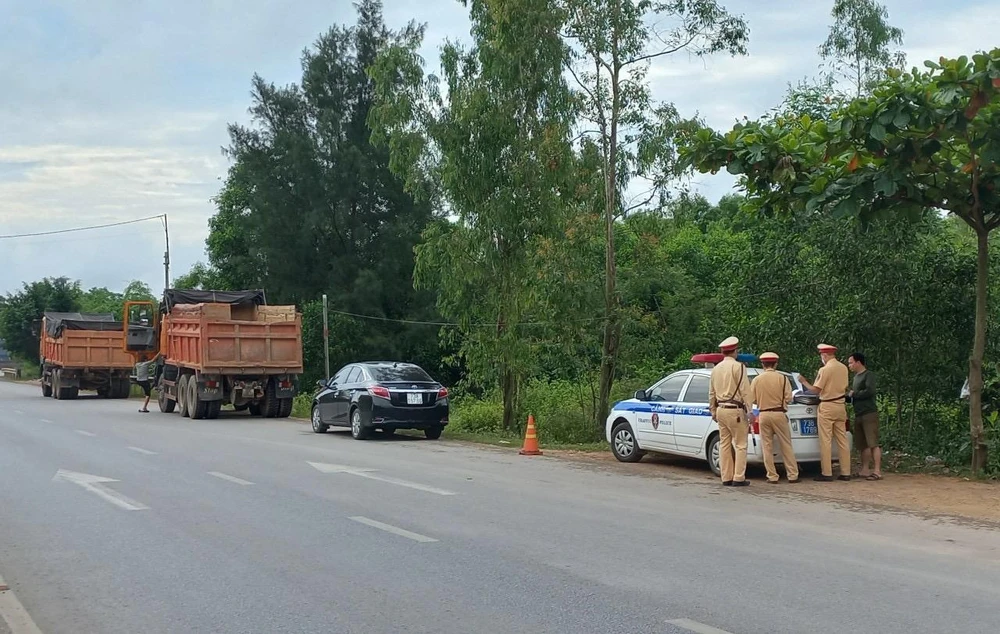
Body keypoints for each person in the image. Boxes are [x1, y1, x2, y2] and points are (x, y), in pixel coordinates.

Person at [799, 343, 851, 482]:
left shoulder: (825, 369)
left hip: (827, 406)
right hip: (840, 405)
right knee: (842, 440)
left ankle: (826, 472)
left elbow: (816, 390)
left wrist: (804, 382)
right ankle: (846, 472)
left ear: (825, 355)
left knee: (825, 440)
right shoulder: (843, 368)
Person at [709, 336, 753, 487]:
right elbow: (745, 390)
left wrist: (713, 410)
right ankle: (738, 477)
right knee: (740, 445)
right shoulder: (739, 367)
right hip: (735, 410)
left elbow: (711, 393)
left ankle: (726, 476)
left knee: (724, 444)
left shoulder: (716, 369)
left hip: (721, 409)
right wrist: (750, 410)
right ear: (735, 351)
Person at [750, 351, 800, 484]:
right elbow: (788, 398)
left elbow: (752, 399)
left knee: (767, 446)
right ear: (776, 364)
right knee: (786, 444)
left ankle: (772, 476)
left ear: (763, 364)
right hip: (779, 413)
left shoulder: (757, 380)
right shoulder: (782, 379)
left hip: (763, 414)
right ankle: (792, 474)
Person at [848, 352, 881, 480]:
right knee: (863, 444)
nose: (849, 365)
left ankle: (877, 471)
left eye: (851, 362)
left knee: (873, 442)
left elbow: (870, 391)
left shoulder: (868, 375)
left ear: (858, 362)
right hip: (859, 413)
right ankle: (865, 469)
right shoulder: (856, 377)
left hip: (869, 413)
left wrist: (854, 394)